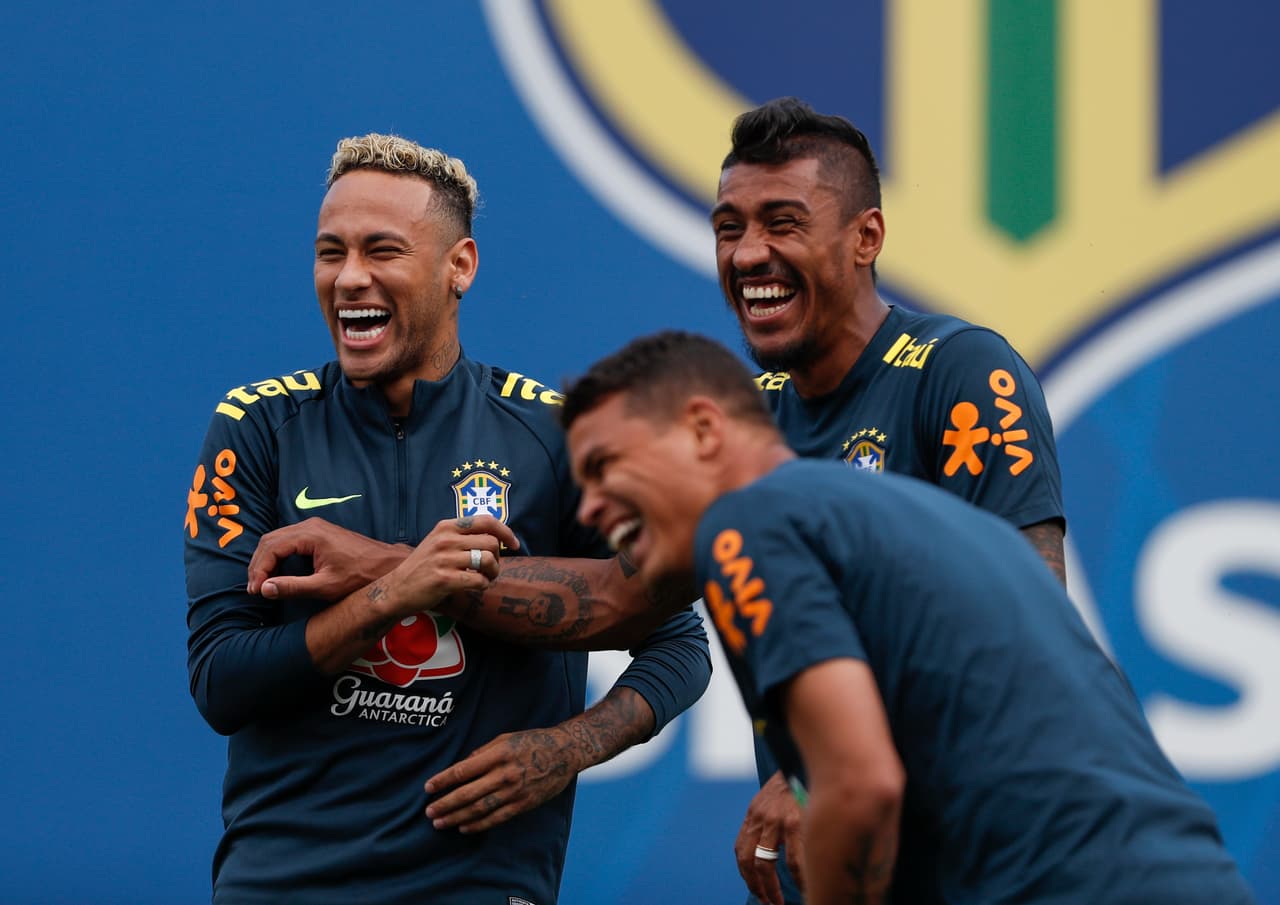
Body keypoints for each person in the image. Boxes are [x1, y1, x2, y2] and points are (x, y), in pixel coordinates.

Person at [183, 133, 710, 904]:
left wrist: (568, 748)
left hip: (479, 882)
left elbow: (679, 639)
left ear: (459, 266)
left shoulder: (554, 437)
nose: (349, 277)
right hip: (284, 882)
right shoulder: (259, 427)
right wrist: (393, 589)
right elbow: (221, 680)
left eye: (382, 250)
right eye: (331, 253)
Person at [559, 329, 1256, 905]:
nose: (588, 507)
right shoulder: (919, 521)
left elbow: (858, 785)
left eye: (604, 465)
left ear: (704, 430)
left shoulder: (745, 523)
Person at [710, 97, 1066, 905]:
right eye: (729, 228)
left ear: (865, 237)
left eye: (783, 223)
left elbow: (1032, 632)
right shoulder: (744, 426)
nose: (749, 253)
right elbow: (633, 602)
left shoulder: (960, 370)